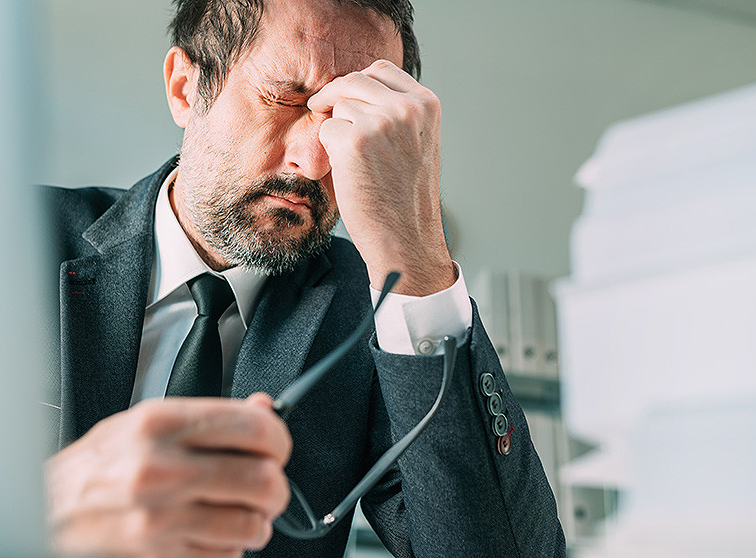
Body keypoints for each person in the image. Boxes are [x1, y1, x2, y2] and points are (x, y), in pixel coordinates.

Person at [41, 0, 566, 556]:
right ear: (185, 88)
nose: (314, 163)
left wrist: (418, 259)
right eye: (285, 98)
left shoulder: (371, 311)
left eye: (348, 121)